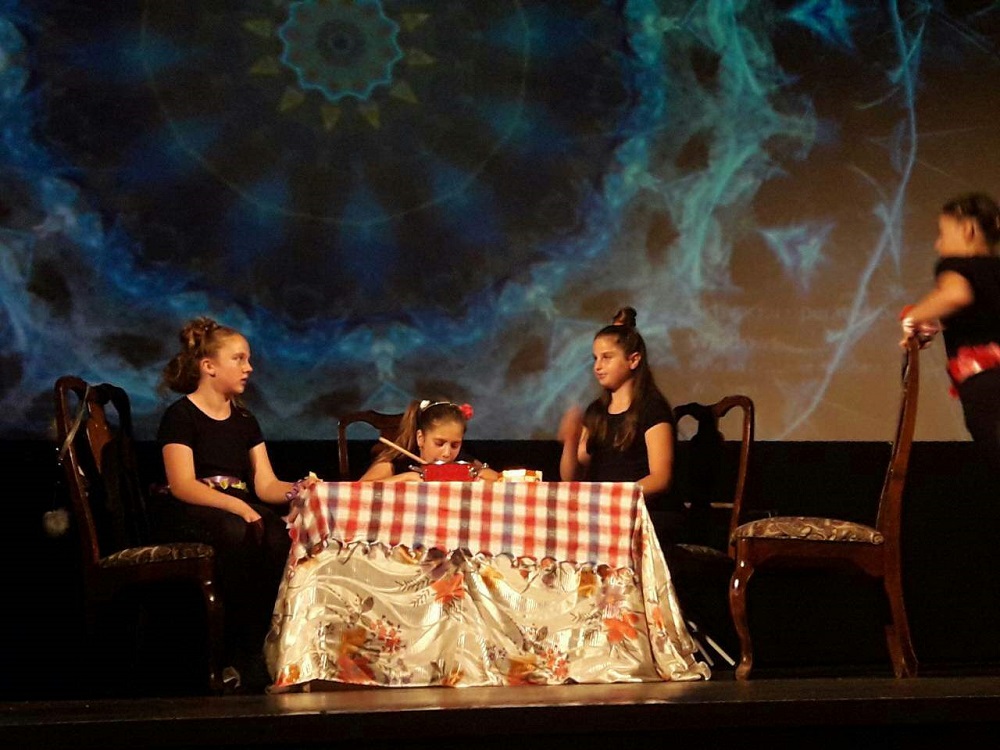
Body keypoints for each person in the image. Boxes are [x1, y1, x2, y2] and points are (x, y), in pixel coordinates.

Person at [153, 316, 306, 692]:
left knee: (278, 534)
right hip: (195, 507)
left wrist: (298, 489)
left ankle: (259, 649)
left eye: (248, 359)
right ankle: (230, 653)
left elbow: (265, 484)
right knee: (236, 530)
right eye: (238, 359)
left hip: (238, 504)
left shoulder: (245, 420)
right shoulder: (181, 416)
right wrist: (237, 507)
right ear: (209, 366)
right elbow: (183, 484)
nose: (248, 367)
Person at [558, 307, 681, 542]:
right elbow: (571, 478)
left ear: (633, 360)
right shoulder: (596, 411)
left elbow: (660, 478)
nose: (598, 366)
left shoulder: (652, 409)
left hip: (648, 512)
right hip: (608, 511)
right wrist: (571, 441)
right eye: (595, 358)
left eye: (607, 357)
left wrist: (615, 500)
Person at [901, 192, 1000, 474]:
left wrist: (914, 317)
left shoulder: (957, 265)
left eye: (943, 234)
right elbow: (983, 314)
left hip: (988, 385)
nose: (938, 244)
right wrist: (934, 323)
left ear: (968, 230)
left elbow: (956, 295)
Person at [360, 399, 500, 482]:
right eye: (439, 443)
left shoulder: (462, 463)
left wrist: (478, 474)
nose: (447, 453)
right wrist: (405, 478)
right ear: (420, 438)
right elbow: (357, 491)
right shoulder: (396, 463)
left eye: (455, 445)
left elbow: (500, 480)